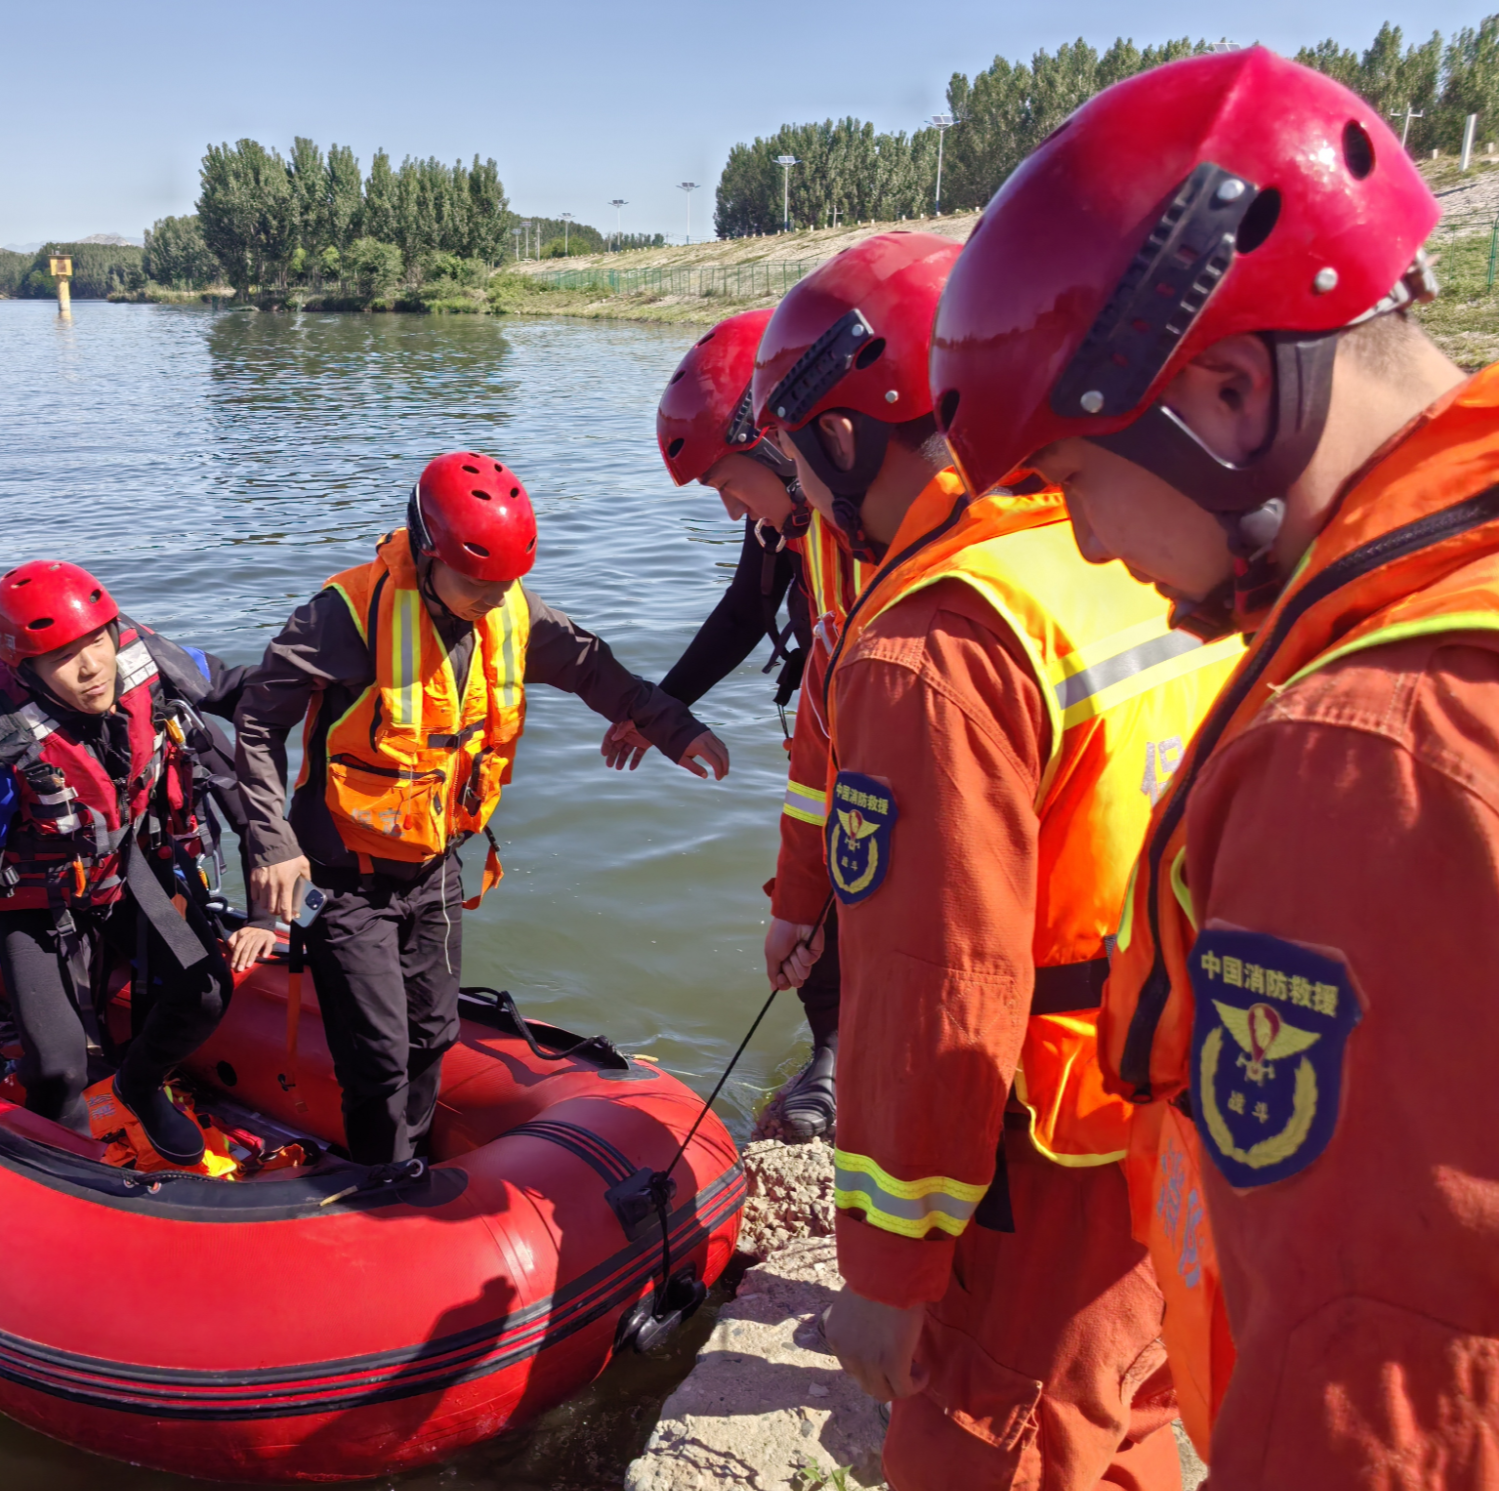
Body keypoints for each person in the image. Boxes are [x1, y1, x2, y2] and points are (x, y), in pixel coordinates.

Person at [932, 47, 1499, 1486]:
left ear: (1227, 395)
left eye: (1067, 484)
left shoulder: (1365, 763)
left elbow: (1379, 1399)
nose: (1091, 549)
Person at [756, 232, 1243, 1489]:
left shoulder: (943, 638)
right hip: (1180, 1098)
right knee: (1129, 1409)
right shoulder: (1125, 553)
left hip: (1045, 1150)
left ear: (845, 433)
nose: (798, 495)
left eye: (792, 455)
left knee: (992, 1437)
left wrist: (888, 1268)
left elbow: (936, 986)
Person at [234, 452, 730, 1165]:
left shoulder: (510, 607)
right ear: (429, 555)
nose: (494, 599)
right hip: (346, 876)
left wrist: (671, 725)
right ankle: (381, 1178)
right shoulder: (341, 617)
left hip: (434, 866)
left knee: (433, 1032)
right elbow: (256, 720)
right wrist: (270, 839)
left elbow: (591, 664)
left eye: (505, 583)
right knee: (376, 1054)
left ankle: (409, 1162)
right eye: (476, 583)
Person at [0, 560, 274, 1166]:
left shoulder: (149, 664)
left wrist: (343, 681)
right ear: (25, 668)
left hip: (124, 867)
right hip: (32, 900)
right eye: (62, 657)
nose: (92, 668)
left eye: (97, 642)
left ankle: (139, 1082)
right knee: (56, 1069)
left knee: (205, 991)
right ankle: (71, 1166)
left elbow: (245, 689)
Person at [622, 307, 858, 1137]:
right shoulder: (788, 518)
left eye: (727, 485)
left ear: (782, 447)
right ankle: (832, 1051)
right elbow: (743, 611)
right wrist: (663, 707)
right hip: (829, 728)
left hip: (878, 731)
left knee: (853, 875)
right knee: (817, 872)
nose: (731, 513)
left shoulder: (875, 530)